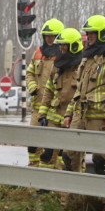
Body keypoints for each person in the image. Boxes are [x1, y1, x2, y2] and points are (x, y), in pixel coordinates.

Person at [67, 14, 105, 172]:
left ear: (102, 34)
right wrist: (69, 113)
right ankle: (71, 196)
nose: (88, 37)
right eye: (87, 34)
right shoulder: (87, 57)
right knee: (69, 155)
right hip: (80, 115)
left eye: (91, 33)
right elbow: (79, 89)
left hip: (100, 118)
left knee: (102, 160)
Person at [47, 27, 86, 171]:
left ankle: (72, 192)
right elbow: (48, 89)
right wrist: (42, 114)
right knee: (48, 154)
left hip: (72, 118)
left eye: (65, 45)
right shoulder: (57, 65)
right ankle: (47, 189)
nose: (62, 48)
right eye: (61, 44)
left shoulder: (83, 66)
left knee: (71, 157)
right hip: (54, 116)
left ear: (74, 46)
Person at [27, 19, 64, 166]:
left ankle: (56, 176)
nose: (49, 39)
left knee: (53, 148)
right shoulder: (38, 53)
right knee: (33, 144)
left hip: (55, 109)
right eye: (46, 36)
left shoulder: (63, 56)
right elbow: (29, 73)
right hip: (37, 107)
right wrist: (32, 87)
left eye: (52, 36)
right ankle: (33, 175)